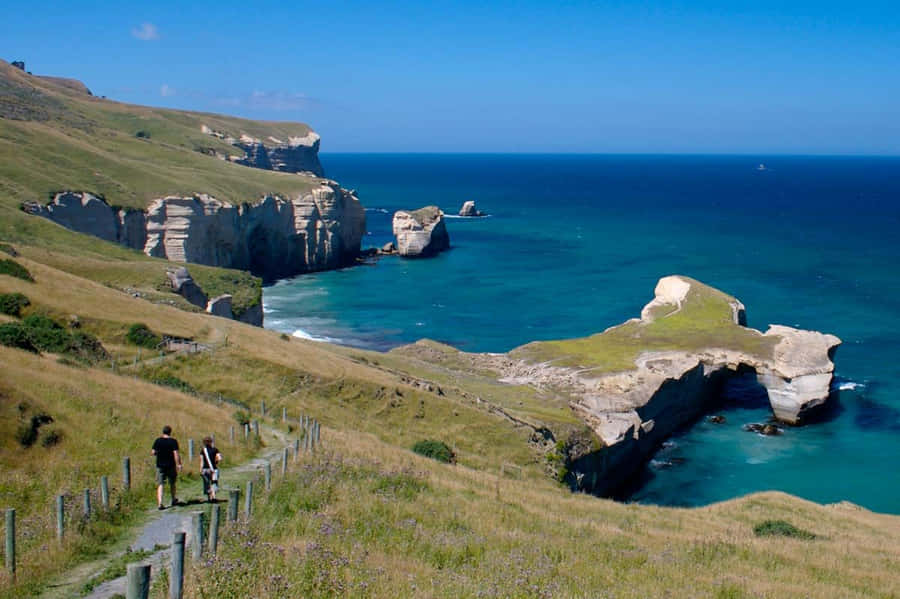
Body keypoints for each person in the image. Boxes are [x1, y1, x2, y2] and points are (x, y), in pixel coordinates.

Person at [151, 425, 182, 509]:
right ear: (170, 432)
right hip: (171, 465)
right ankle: (173, 499)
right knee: (172, 483)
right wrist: (178, 464)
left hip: (160, 465)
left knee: (160, 484)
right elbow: (176, 454)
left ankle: (160, 503)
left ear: (163, 432)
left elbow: (153, 452)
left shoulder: (158, 441)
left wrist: (159, 453)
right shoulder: (173, 441)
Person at [199, 436, 222, 502]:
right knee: (214, 482)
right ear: (211, 442)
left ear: (204, 443)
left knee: (207, 483)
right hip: (214, 469)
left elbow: (201, 461)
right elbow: (219, 458)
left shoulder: (203, 451)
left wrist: (200, 470)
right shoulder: (215, 450)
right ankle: (214, 496)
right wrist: (216, 462)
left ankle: (209, 496)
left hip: (205, 469)